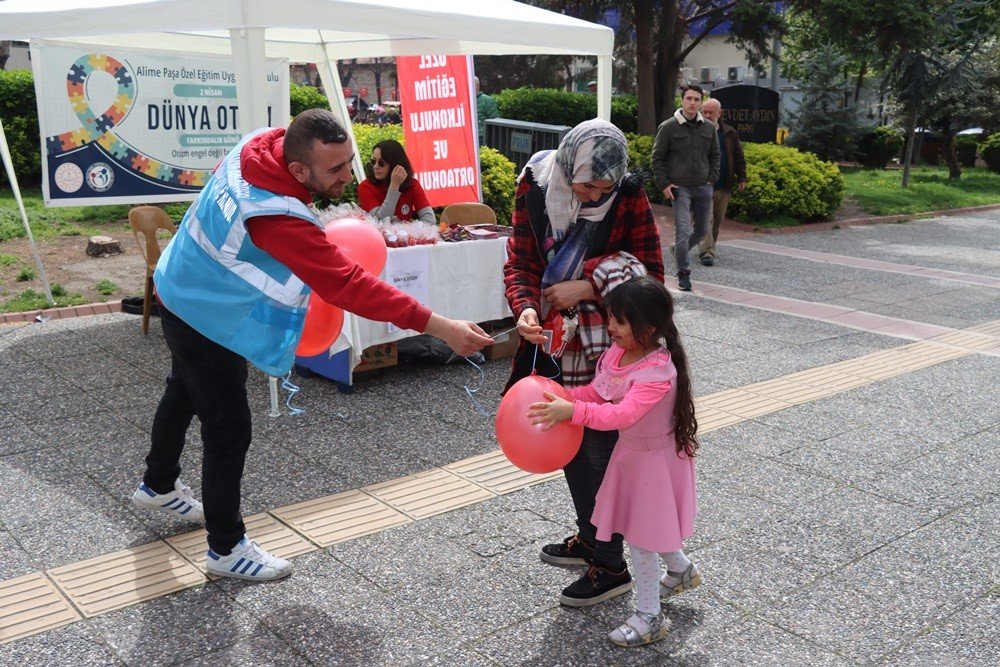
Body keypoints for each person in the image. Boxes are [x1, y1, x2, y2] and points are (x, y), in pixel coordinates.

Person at [130, 109, 491, 582]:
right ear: (298, 170)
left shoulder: (260, 145)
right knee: (228, 427)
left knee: (182, 390)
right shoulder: (275, 217)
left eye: (349, 162)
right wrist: (441, 326)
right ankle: (225, 548)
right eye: (335, 170)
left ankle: (157, 484)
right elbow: (351, 285)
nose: (349, 177)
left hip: (177, 281)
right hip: (202, 312)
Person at [504, 118, 664, 608]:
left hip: (610, 346)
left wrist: (589, 282)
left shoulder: (629, 195)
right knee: (570, 445)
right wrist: (526, 305)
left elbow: (652, 276)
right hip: (556, 341)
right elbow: (521, 261)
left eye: (605, 186)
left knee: (599, 452)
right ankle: (592, 539)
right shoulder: (534, 186)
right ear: (568, 163)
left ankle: (612, 565)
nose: (596, 194)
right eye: (588, 182)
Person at [527, 276, 700, 648]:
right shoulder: (617, 355)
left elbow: (621, 415)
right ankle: (682, 570)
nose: (610, 328)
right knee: (649, 527)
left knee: (640, 538)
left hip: (652, 464)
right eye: (611, 319)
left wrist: (572, 411)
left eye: (619, 322)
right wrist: (565, 396)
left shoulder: (657, 374)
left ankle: (649, 617)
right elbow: (600, 391)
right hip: (632, 458)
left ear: (648, 327)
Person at [651, 85, 720, 291]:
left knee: (701, 231)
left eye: (696, 99)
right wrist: (664, 183)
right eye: (689, 98)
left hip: (703, 187)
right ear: (682, 100)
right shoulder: (669, 127)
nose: (692, 103)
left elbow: (715, 155)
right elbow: (657, 158)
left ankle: (677, 250)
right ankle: (683, 273)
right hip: (680, 189)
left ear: (701, 102)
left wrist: (711, 179)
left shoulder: (708, 127)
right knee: (683, 230)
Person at [697, 98, 746, 266]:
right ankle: (706, 252)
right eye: (705, 112)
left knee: (717, 221)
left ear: (720, 113)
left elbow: (738, 156)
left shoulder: (729, 132)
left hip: (723, 184)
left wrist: (741, 177)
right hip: (702, 184)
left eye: (712, 112)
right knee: (706, 219)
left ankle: (708, 246)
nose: (708, 115)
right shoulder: (696, 129)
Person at [357, 139, 436, 223]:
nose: (375, 166)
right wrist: (394, 186)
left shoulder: (412, 184)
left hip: (405, 236)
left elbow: (430, 220)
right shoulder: (366, 187)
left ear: (395, 164)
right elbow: (380, 221)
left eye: (381, 163)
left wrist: (407, 232)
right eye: (373, 161)